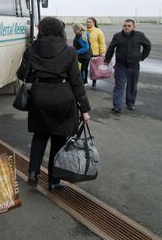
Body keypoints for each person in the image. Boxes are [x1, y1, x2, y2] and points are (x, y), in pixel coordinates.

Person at [17, 17, 91, 190]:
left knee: (40, 135)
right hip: (64, 97)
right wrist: (84, 109)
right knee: (59, 139)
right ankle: (54, 181)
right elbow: (76, 82)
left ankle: (33, 173)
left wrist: (37, 77)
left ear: (41, 29)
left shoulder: (33, 48)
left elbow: (22, 74)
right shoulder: (69, 51)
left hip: (39, 96)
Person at [104, 19, 151, 113]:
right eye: (125, 25)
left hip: (134, 66)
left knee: (132, 86)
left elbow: (148, 46)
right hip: (120, 66)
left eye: (129, 25)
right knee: (119, 86)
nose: (126, 27)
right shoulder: (117, 36)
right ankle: (117, 106)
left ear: (133, 27)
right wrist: (107, 60)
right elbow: (111, 48)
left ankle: (130, 103)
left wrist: (141, 57)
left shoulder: (140, 35)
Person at [86, 17, 106, 89]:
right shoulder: (84, 31)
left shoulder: (98, 31)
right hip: (86, 53)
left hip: (95, 53)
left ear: (94, 23)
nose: (88, 23)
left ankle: (94, 83)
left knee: (94, 69)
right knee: (84, 68)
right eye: (87, 22)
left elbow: (102, 43)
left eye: (90, 22)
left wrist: (102, 52)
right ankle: (84, 82)